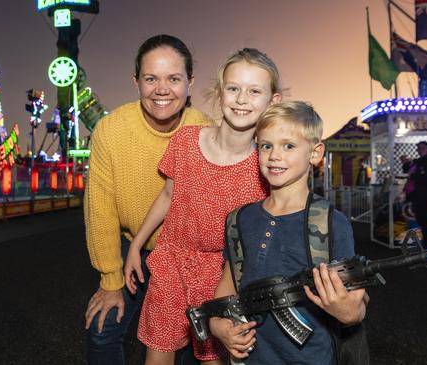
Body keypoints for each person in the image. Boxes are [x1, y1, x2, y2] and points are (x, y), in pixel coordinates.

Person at [123, 48, 283, 364]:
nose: (241, 99)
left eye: (254, 91)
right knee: (157, 356)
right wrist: (135, 247)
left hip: (223, 278)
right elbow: (168, 196)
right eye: (234, 88)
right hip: (171, 263)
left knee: (215, 359)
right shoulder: (186, 141)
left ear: (272, 101)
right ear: (219, 91)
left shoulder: (266, 165)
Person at [84, 34, 212, 365]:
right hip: (133, 245)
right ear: (136, 81)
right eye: (151, 78)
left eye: (174, 78)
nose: (162, 89)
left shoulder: (206, 133)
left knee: (191, 341)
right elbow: (101, 211)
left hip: (187, 252)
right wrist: (110, 280)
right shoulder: (110, 131)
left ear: (189, 82)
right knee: (102, 330)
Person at [209, 101, 368, 364]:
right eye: (266, 145)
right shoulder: (240, 218)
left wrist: (349, 313)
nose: (274, 156)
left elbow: (355, 306)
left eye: (289, 146)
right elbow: (229, 285)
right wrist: (218, 326)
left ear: (315, 153)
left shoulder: (331, 223)